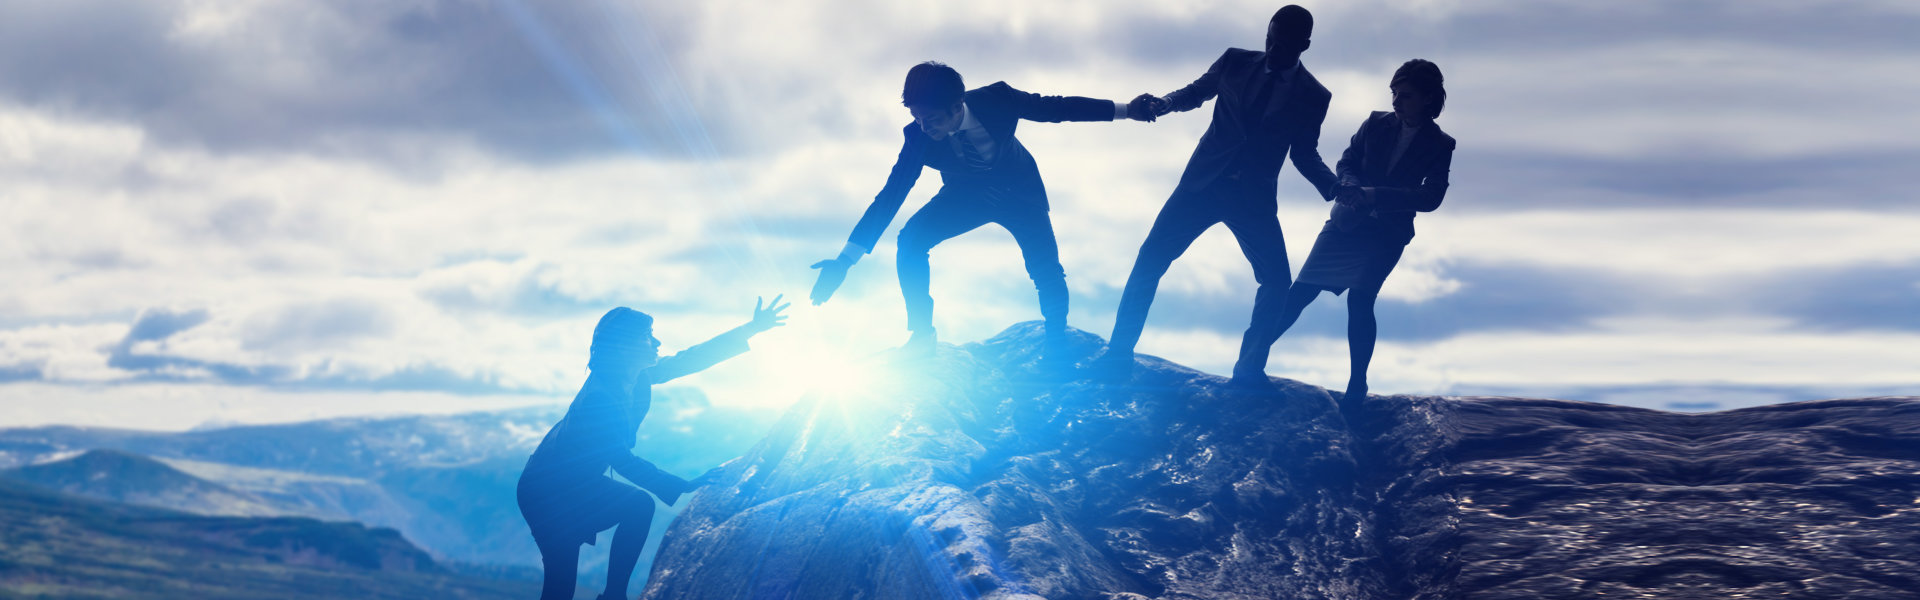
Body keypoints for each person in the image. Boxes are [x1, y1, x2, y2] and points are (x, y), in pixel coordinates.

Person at [809, 61, 1161, 363]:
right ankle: (922, 336)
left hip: (1018, 191)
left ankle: (1057, 344)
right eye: (916, 118)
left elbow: (1058, 108)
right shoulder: (916, 137)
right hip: (965, 195)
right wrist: (844, 261)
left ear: (957, 105)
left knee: (1046, 269)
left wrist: (1127, 109)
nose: (923, 127)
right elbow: (891, 195)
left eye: (930, 119)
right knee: (910, 240)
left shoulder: (998, 99)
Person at [1089, 5, 1340, 385]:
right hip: (1201, 186)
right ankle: (1118, 356)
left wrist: (1335, 187)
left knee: (1275, 282)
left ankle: (1248, 372)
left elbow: (1304, 153)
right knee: (1150, 261)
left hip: (1252, 199)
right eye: (1269, 37)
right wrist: (1166, 103)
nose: (1272, 48)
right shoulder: (1235, 60)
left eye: (1283, 43)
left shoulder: (1314, 95)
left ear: (1304, 45)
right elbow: (1196, 92)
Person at [517, 297, 788, 600]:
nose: (657, 342)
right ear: (624, 347)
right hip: (547, 491)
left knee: (630, 513)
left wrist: (750, 329)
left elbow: (690, 358)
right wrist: (680, 484)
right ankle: (614, 596)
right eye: (648, 337)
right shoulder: (600, 398)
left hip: (571, 481)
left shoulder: (634, 376)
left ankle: (614, 595)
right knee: (562, 582)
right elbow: (620, 459)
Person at [1249, 59, 1455, 403]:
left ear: (1429, 98)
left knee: (1360, 301)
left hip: (1386, 235)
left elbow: (1431, 197)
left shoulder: (1440, 144)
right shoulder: (1375, 123)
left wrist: (1374, 195)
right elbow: (1347, 161)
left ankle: (1356, 386)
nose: (1396, 101)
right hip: (1346, 222)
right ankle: (1250, 361)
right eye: (1393, 93)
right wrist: (1348, 184)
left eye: (1405, 95)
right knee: (1299, 293)